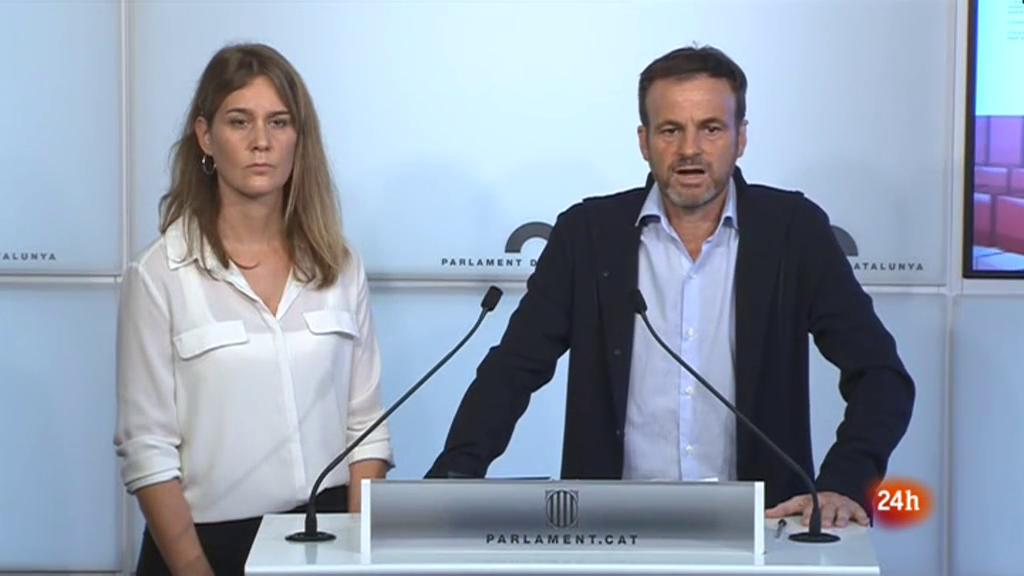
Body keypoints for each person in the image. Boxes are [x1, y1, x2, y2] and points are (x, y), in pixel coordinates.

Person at [427, 45, 914, 529]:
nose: (689, 150)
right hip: (611, 532)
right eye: (670, 130)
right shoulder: (587, 235)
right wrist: (453, 479)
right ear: (644, 141)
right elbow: (513, 371)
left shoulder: (792, 231)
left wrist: (844, 482)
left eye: (711, 128)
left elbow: (881, 376)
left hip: (763, 529)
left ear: (741, 138)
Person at [115, 43, 392, 575]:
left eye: (279, 122)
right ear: (205, 137)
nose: (261, 141)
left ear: (299, 138)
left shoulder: (340, 265)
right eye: (239, 121)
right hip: (204, 548)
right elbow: (147, 449)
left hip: (327, 538)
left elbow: (366, 428)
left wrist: (358, 558)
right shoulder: (159, 274)